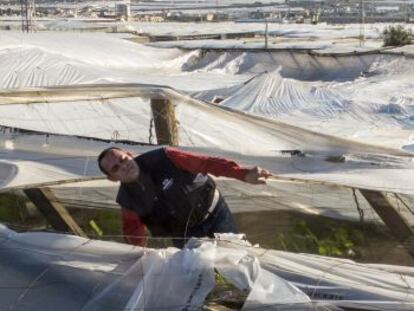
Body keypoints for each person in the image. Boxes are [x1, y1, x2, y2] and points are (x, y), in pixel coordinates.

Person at [98, 147, 270, 248]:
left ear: (130, 154)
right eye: (115, 168)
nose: (124, 166)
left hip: (215, 213)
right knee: (199, 274)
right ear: (112, 178)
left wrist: (243, 174)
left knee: (238, 257)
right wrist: (138, 262)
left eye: (123, 159)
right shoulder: (128, 201)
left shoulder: (165, 157)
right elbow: (133, 233)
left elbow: (206, 163)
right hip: (185, 236)